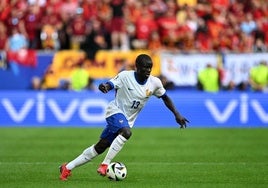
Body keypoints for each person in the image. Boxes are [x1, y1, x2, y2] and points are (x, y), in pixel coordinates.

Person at [59, 54, 189, 181]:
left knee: (100, 147)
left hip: (127, 120)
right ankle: (105, 165)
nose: (148, 70)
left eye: (150, 67)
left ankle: (67, 167)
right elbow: (110, 84)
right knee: (126, 132)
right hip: (114, 112)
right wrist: (105, 87)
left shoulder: (155, 83)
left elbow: (165, 98)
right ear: (137, 67)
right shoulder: (125, 76)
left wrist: (177, 114)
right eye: (145, 68)